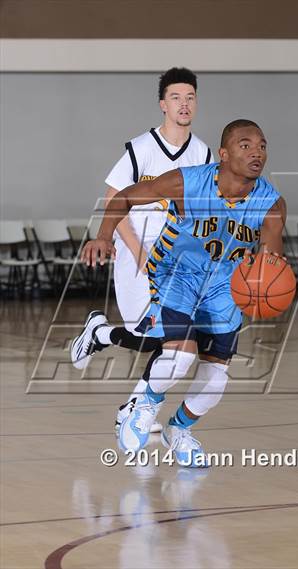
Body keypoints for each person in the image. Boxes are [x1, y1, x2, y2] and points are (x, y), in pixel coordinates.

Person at [81, 119, 286, 467]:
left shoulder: (271, 202)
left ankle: (179, 430)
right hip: (178, 272)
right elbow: (126, 196)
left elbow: (271, 252)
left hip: (224, 282)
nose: (257, 152)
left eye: (262, 146)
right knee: (180, 355)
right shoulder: (188, 181)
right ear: (223, 153)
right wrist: (103, 235)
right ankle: (145, 403)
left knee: (217, 376)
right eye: (246, 145)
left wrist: (267, 275)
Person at [70, 67, 213, 433]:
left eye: (190, 97)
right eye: (176, 97)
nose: (184, 104)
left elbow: (202, 211)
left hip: (177, 257)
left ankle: (136, 407)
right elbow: (113, 200)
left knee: (179, 342)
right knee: (151, 336)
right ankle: (100, 333)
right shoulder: (142, 148)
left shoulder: (202, 153)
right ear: (163, 104)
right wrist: (137, 251)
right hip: (137, 247)